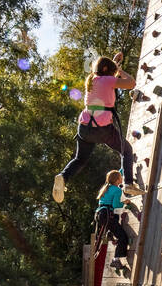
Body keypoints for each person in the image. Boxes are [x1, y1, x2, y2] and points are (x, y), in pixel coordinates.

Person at [53, 52, 143, 203]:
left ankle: (63, 176)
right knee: (126, 150)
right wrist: (119, 71)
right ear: (107, 69)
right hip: (102, 129)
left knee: (79, 159)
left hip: (84, 128)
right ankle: (128, 184)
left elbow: (105, 76)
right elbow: (131, 83)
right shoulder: (108, 80)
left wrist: (114, 64)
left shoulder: (91, 80)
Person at [95, 170, 131, 267]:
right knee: (123, 237)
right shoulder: (117, 190)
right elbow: (115, 205)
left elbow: (117, 173)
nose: (122, 178)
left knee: (114, 223)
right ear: (118, 180)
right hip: (107, 215)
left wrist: (122, 169)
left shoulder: (106, 187)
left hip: (100, 214)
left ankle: (109, 232)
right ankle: (116, 259)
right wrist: (125, 202)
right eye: (121, 177)